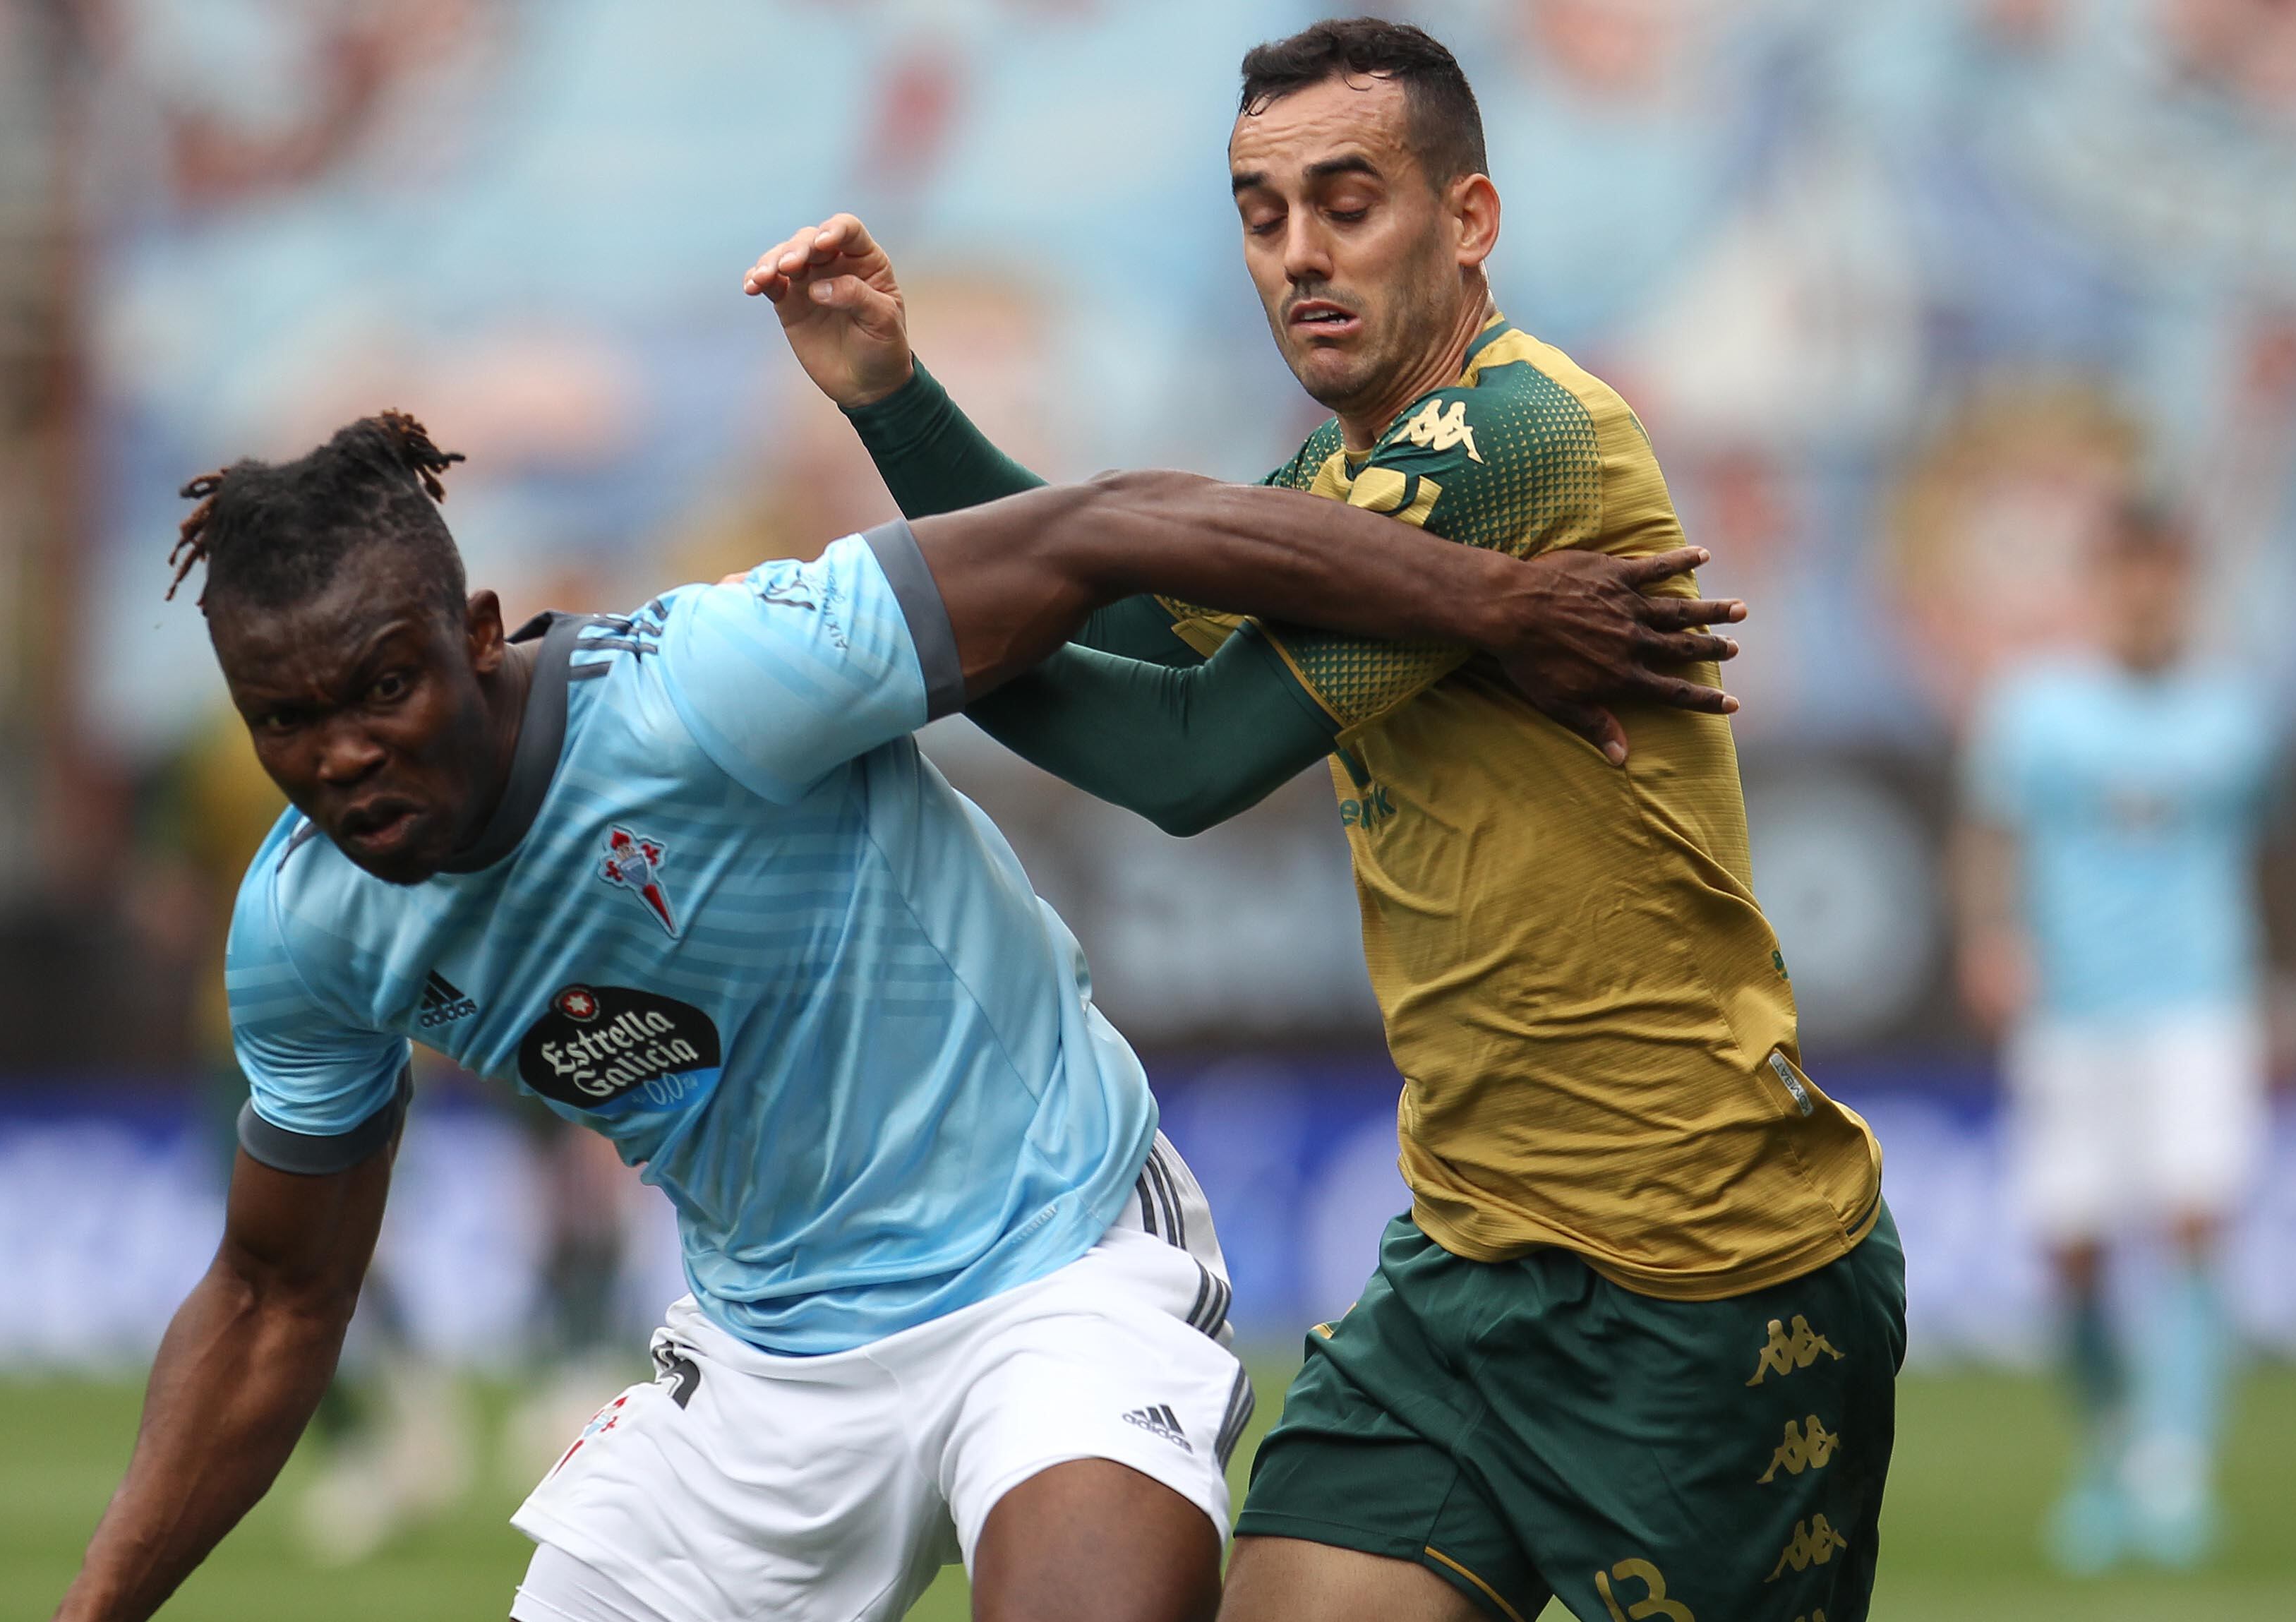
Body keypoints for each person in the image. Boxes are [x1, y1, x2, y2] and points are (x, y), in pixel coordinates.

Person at [49, 408, 1738, 1622]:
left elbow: (1106, 526)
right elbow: (276, 1295)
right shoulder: (311, 926)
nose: (343, 753)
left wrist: (1495, 607)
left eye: (382, 686)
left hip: (1056, 1275)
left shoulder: (719, 686)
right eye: (287, 719)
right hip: (767, 1369)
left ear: (476, 634)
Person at [746, 18, 1903, 1621]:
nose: (1298, 254)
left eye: (1346, 202)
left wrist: (867, 656)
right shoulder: (1356, 464)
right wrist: (893, 399)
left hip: (1696, 1268)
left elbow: (1183, 757)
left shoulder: (1508, 440)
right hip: (1467, 1266)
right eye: (1262, 211)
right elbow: (1139, 621)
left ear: (1469, 220)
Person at [1956, 500, 2276, 1572]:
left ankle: (2173, 1467)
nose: (2146, 593)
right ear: (2101, 582)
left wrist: (2278, 978)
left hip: (2198, 999)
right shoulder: (2039, 709)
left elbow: (2270, 856)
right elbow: (1991, 830)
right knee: (2074, 1246)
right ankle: (2105, 1452)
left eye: (2164, 572)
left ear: (2185, 579)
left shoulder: (2237, 710)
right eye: (2128, 572)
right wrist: (1991, 933)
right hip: (2072, 1010)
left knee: (2195, 1215)